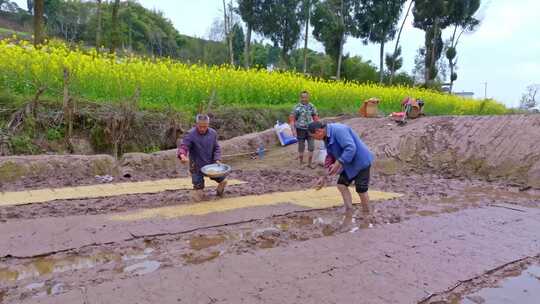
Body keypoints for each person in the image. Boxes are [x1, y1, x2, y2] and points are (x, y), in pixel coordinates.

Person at [308, 121, 374, 213]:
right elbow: (330, 156)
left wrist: (338, 162)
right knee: (341, 185)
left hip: (360, 161)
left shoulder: (339, 130)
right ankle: (349, 210)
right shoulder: (326, 137)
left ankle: (367, 213)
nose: (314, 139)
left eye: (313, 136)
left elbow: (351, 148)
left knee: (361, 189)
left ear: (319, 131)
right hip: (348, 163)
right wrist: (324, 176)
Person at [177, 114, 227, 201]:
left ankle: (219, 193)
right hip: (196, 166)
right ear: (196, 124)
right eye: (200, 126)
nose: (203, 129)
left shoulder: (213, 133)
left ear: (208, 124)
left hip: (211, 165)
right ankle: (199, 192)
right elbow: (184, 146)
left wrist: (217, 159)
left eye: (205, 126)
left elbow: (216, 148)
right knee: (198, 193)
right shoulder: (191, 134)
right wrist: (182, 155)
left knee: (223, 181)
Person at [289, 91, 319, 168]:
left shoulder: (312, 106)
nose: (304, 99)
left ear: (308, 98)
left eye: (306, 97)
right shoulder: (297, 107)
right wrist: (293, 130)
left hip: (310, 129)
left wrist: (318, 128)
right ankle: (301, 163)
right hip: (300, 129)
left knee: (311, 146)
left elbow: (315, 117)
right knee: (301, 146)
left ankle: (309, 163)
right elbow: (292, 119)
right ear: (300, 98)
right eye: (302, 97)